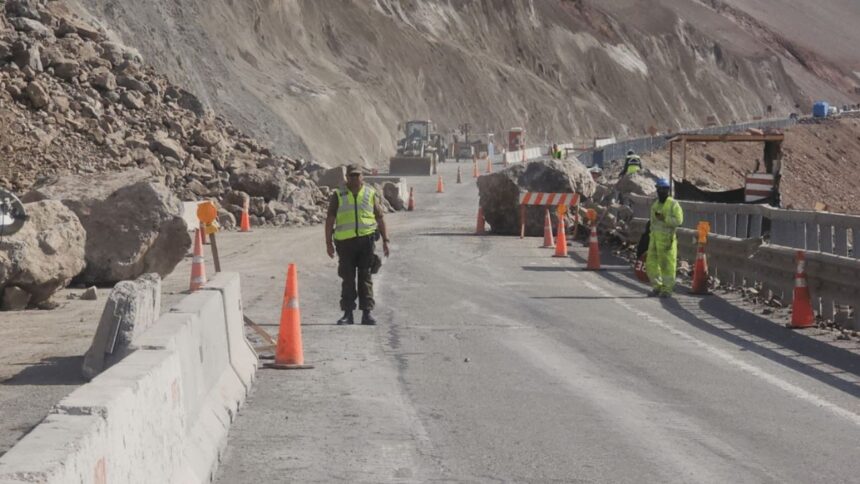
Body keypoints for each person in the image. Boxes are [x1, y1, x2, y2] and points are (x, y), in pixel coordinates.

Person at [325, 164, 390, 325]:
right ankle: (348, 313)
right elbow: (330, 219)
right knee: (347, 278)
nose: (354, 178)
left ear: (362, 177)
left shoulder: (370, 193)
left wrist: (386, 240)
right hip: (345, 243)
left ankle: (367, 313)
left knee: (365, 277)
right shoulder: (338, 195)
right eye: (351, 175)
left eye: (357, 175)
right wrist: (328, 243)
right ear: (347, 177)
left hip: (366, 242)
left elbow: (380, 218)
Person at [645, 178, 683, 298]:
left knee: (667, 266)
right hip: (654, 241)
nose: (660, 192)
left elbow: (678, 221)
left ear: (667, 190)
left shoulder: (673, 204)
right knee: (651, 264)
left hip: (667, 242)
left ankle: (667, 289)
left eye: (663, 189)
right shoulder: (655, 204)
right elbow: (652, 223)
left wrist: (665, 218)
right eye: (659, 189)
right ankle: (657, 286)